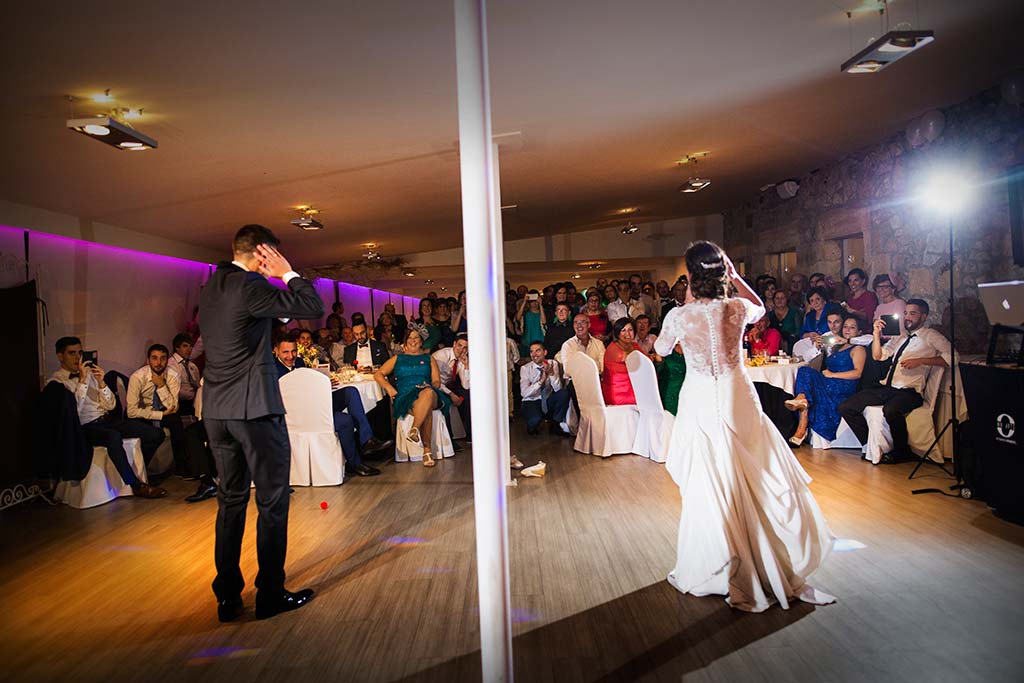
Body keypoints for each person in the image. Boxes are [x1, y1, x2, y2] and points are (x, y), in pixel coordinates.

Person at [654, 240, 834, 612]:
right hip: (738, 394)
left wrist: (688, 306)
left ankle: (717, 561)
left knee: (710, 476)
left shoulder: (679, 316)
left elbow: (661, 348)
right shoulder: (736, 306)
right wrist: (737, 278)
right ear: (724, 272)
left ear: (690, 275)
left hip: (701, 397)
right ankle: (760, 555)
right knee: (750, 471)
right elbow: (761, 307)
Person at [199, 224, 325, 622]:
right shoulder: (251, 285)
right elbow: (313, 306)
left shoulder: (214, 284)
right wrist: (288, 272)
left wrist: (276, 296)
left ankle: (228, 598)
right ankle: (270, 593)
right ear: (263, 252)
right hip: (254, 409)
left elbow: (262, 315)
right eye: (273, 256)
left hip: (216, 410)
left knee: (230, 501)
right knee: (272, 501)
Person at [47, 337, 167, 498]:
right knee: (113, 437)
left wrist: (102, 383)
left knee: (156, 434)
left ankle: (136, 472)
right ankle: (136, 485)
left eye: (80, 353)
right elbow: (72, 413)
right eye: (71, 353)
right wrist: (82, 382)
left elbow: (110, 406)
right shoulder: (56, 382)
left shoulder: (90, 374)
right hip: (84, 427)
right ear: (60, 356)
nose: (77, 357)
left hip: (106, 420)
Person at [838, 299, 953, 462]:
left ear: (924, 316)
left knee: (891, 410)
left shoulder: (931, 336)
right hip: (888, 388)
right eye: (905, 313)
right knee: (845, 407)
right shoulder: (901, 337)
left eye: (912, 314)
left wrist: (922, 360)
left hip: (909, 391)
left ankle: (902, 451)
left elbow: (953, 357)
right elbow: (878, 356)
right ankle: (866, 444)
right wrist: (876, 334)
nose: (907, 317)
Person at [274, 337, 390, 475]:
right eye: (285, 352)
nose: (290, 356)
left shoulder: (299, 362)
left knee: (350, 391)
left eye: (293, 351)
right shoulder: (272, 370)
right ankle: (355, 464)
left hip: (315, 403)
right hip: (298, 414)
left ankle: (367, 440)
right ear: (276, 351)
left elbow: (309, 386)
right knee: (345, 420)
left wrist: (323, 383)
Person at [374, 330, 451, 468]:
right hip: (406, 396)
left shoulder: (429, 358)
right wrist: (390, 389)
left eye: (416, 338)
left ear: (421, 342)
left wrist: (431, 385)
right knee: (425, 407)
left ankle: (414, 429)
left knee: (427, 393)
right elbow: (378, 374)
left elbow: (436, 381)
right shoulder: (398, 358)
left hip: (428, 391)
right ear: (405, 342)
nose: (413, 340)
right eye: (410, 338)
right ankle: (427, 451)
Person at [786, 315, 866, 446]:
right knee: (804, 370)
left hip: (843, 385)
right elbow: (808, 359)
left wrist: (832, 375)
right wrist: (817, 347)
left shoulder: (858, 348)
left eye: (852, 328)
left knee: (807, 373)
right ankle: (802, 404)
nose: (847, 330)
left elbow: (857, 373)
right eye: (845, 327)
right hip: (829, 379)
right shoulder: (837, 345)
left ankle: (801, 428)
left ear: (859, 332)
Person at [126, 343, 185, 475]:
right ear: (148, 360)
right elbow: (131, 411)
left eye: (163, 358)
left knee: (176, 422)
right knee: (149, 432)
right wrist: (159, 414)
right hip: (142, 412)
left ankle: (182, 468)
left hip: (165, 409)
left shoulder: (173, 375)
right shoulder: (137, 377)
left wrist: (161, 386)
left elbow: (173, 407)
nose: (159, 362)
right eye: (154, 358)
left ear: (167, 360)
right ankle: (142, 472)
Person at [519, 341, 571, 436]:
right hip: (531, 401)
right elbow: (524, 393)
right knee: (535, 420)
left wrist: (551, 375)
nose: (534, 354)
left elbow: (558, 389)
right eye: (531, 351)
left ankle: (555, 423)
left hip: (547, 400)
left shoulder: (552, 363)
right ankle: (532, 425)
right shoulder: (525, 368)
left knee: (564, 393)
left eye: (537, 351)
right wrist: (540, 382)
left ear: (545, 352)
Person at [432, 334, 472, 444]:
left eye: (465, 347)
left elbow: (466, 385)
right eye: (459, 345)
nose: (461, 350)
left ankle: (470, 436)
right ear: (454, 344)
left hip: (451, 385)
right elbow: (435, 381)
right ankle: (450, 441)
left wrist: (466, 365)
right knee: (445, 400)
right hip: (436, 385)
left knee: (469, 395)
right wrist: (451, 394)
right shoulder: (441, 356)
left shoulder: (463, 359)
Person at [601, 317, 638, 406]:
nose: (627, 334)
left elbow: (646, 359)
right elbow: (630, 359)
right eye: (623, 330)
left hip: (633, 387)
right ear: (617, 333)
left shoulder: (634, 345)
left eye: (630, 330)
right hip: (618, 391)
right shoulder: (613, 348)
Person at [170, 333, 201, 417]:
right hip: (180, 403)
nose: (189, 349)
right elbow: (173, 391)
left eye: (191, 346)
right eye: (185, 346)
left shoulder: (192, 366)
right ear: (177, 347)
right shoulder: (171, 365)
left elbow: (198, 386)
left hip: (194, 401)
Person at [515, 290, 546, 358]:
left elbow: (544, 322)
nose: (534, 303)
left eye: (536, 301)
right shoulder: (526, 313)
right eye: (532, 301)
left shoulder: (542, 312)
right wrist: (524, 301)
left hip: (540, 341)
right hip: (526, 341)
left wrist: (540, 304)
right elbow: (518, 318)